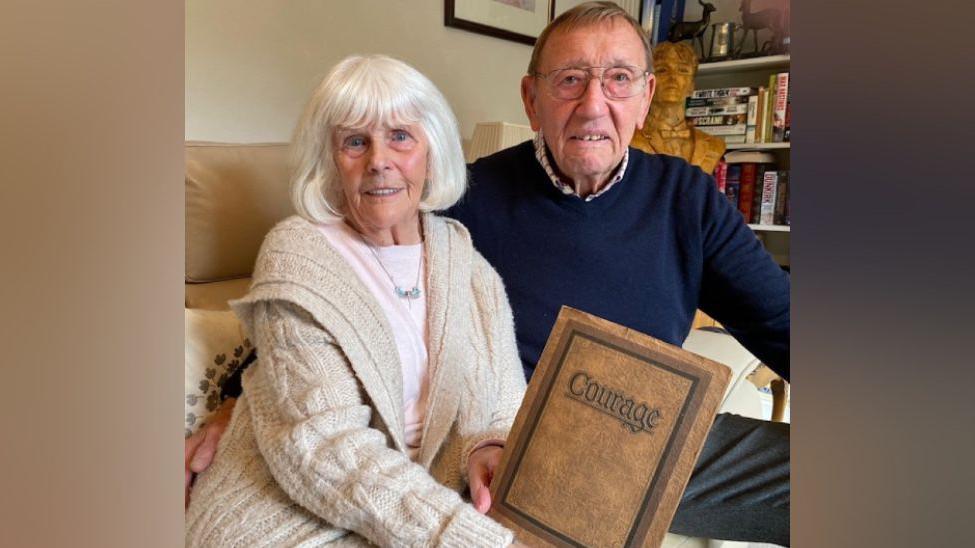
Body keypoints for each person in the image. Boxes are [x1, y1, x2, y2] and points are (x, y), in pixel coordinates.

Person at [188, 2, 790, 545]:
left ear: (646, 96)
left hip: (647, 431)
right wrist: (236, 400)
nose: (593, 104)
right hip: (521, 446)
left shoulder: (688, 197)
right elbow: (331, 296)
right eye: (570, 79)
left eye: (618, 79)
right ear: (532, 100)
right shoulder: (462, 203)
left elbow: (779, 318)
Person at [184, 54, 527, 547]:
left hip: (420, 504)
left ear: (432, 151)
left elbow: (503, 411)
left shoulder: (470, 267)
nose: (378, 159)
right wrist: (457, 535)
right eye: (355, 141)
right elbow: (322, 446)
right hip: (289, 507)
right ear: (330, 161)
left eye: (401, 137)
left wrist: (486, 450)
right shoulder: (299, 253)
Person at [629, 40, 726, 175]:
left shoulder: (714, 145)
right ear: (647, 84)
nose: (673, 77)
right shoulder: (629, 139)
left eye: (682, 70)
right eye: (662, 70)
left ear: (692, 85)